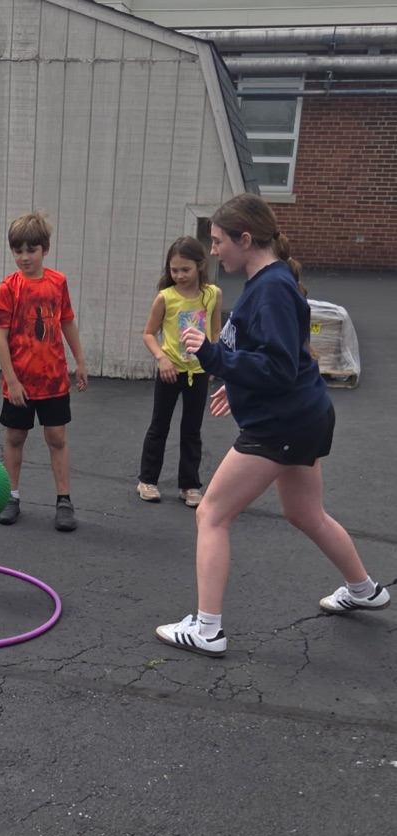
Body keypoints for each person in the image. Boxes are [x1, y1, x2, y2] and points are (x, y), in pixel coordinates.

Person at [156, 193, 390, 657]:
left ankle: (207, 628)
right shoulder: (268, 282)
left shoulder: (272, 289)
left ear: (246, 239)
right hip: (301, 417)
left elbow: (280, 368)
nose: (214, 251)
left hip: (281, 426)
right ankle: (364, 589)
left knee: (212, 514)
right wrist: (237, 385)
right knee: (305, 514)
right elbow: (276, 359)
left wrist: (211, 353)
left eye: (220, 241)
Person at [0, 210, 88, 532]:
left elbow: (67, 322)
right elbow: (0, 335)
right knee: (15, 437)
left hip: (54, 379)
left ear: (45, 249)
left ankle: (64, 501)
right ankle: (11, 496)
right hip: (20, 381)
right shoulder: (9, 287)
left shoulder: (57, 283)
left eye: (31, 250)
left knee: (57, 437)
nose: (24, 257)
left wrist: (80, 361)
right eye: (18, 250)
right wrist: (12, 380)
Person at [137, 236, 222, 508]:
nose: (179, 275)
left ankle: (189, 484)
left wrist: (215, 362)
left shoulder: (212, 295)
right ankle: (147, 480)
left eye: (185, 270)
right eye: (174, 270)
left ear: (200, 266)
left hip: (197, 373)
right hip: (169, 372)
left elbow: (216, 332)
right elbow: (149, 333)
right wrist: (162, 358)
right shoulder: (166, 298)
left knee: (192, 429)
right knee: (159, 425)